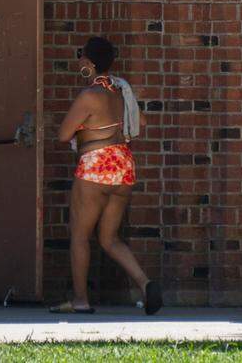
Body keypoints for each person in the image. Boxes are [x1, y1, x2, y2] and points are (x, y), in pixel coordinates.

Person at [50, 36, 162, 315]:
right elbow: (141, 122)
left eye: (81, 58)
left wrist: (85, 127)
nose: (79, 62)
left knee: (79, 235)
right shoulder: (120, 91)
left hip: (95, 165)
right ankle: (145, 283)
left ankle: (80, 300)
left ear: (88, 62)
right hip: (123, 164)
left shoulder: (90, 95)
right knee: (109, 238)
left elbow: (63, 135)